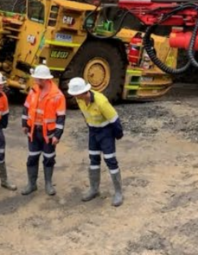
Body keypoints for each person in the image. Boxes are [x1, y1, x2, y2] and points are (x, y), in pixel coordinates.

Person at [66, 77, 125, 207]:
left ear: (82, 92)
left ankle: (118, 193)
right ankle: (94, 189)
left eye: (75, 94)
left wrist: (118, 135)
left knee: (110, 160)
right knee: (93, 159)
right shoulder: (80, 100)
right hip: (93, 132)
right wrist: (91, 128)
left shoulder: (101, 101)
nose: (74, 96)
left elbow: (114, 120)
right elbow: (85, 115)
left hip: (106, 133)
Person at [22, 64, 66, 196]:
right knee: (32, 158)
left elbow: (61, 117)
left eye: (38, 79)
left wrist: (57, 135)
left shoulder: (57, 95)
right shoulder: (33, 90)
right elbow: (26, 107)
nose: (36, 81)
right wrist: (24, 124)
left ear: (46, 79)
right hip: (34, 132)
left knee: (49, 159)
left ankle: (48, 184)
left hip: (48, 134)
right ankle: (32, 184)